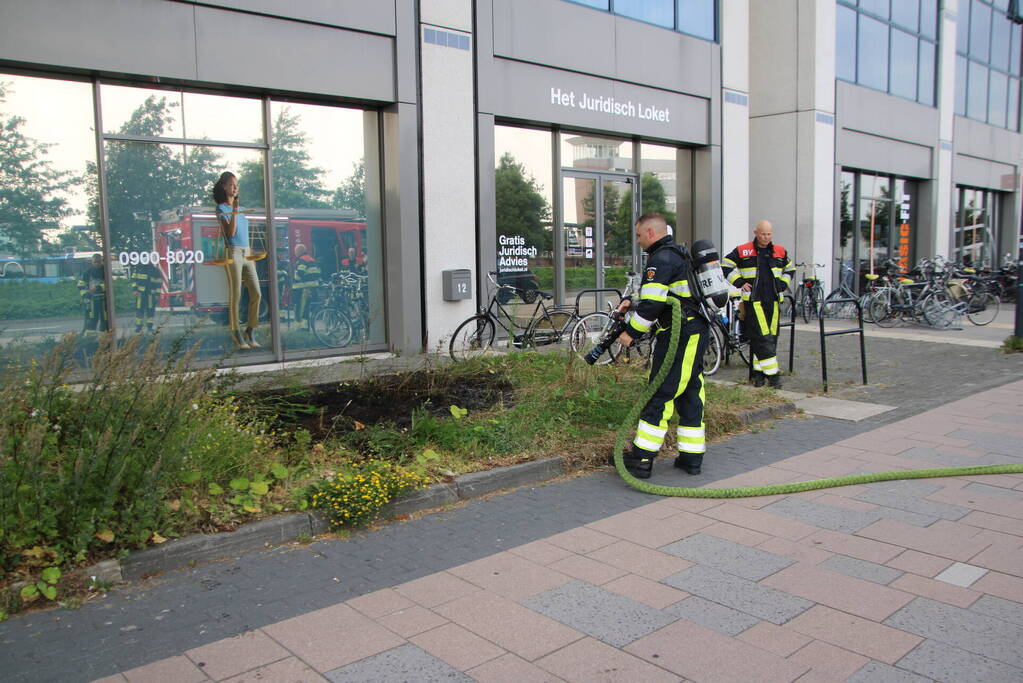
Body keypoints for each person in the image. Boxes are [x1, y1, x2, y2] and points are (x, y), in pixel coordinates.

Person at [615, 213, 710, 479]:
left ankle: (642, 458)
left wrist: (630, 332)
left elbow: (653, 304)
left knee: (661, 391)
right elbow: (663, 294)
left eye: (638, 235)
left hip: (680, 334)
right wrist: (631, 302)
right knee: (691, 392)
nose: (637, 240)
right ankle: (692, 458)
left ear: (651, 233)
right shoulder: (677, 254)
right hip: (693, 331)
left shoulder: (662, 258)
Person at [721, 220, 795, 388]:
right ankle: (774, 376)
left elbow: (790, 269)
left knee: (770, 338)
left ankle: (758, 374)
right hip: (753, 302)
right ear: (755, 233)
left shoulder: (780, 251)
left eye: (769, 234)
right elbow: (725, 266)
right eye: (763, 234)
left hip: (774, 301)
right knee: (763, 339)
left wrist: (783, 284)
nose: (766, 237)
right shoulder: (743, 250)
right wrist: (739, 282)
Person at [213, 172, 261, 350]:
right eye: (232, 185)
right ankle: (236, 332)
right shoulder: (221, 208)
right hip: (233, 252)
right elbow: (231, 233)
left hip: (247, 252)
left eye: (236, 185)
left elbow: (244, 233)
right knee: (236, 294)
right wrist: (234, 211)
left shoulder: (241, 209)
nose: (235, 188)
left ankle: (250, 329)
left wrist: (251, 253)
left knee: (257, 293)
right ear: (224, 186)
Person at [77, 253, 108, 333]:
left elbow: (109, 284)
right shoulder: (88, 272)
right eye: (95, 262)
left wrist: (98, 287)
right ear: (92, 262)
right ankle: (91, 337)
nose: (97, 264)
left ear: (101, 261)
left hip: (104, 300)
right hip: (92, 300)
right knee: (92, 318)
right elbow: (80, 285)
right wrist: (85, 295)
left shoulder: (106, 271)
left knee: (105, 318)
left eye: (98, 262)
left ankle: (104, 335)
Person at [292, 243, 321, 328]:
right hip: (311, 287)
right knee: (307, 307)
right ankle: (305, 325)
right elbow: (318, 272)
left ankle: (301, 327)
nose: (295, 253)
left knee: (301, 307)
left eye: (295, 251)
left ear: (300, 251)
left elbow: (300, 273)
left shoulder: (302, 260)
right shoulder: (311, 259)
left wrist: (295, 279)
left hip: (302, 288)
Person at [131, 261, 162, 333]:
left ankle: (149, 326)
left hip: (151, 294)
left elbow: (159, 283)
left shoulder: (155, 270)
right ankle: (138, 327)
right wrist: (134, 289)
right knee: (139, 310)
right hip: (140, 294)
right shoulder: (139, 269)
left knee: (150, 311)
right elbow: (134, 280)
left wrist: (157, 294)